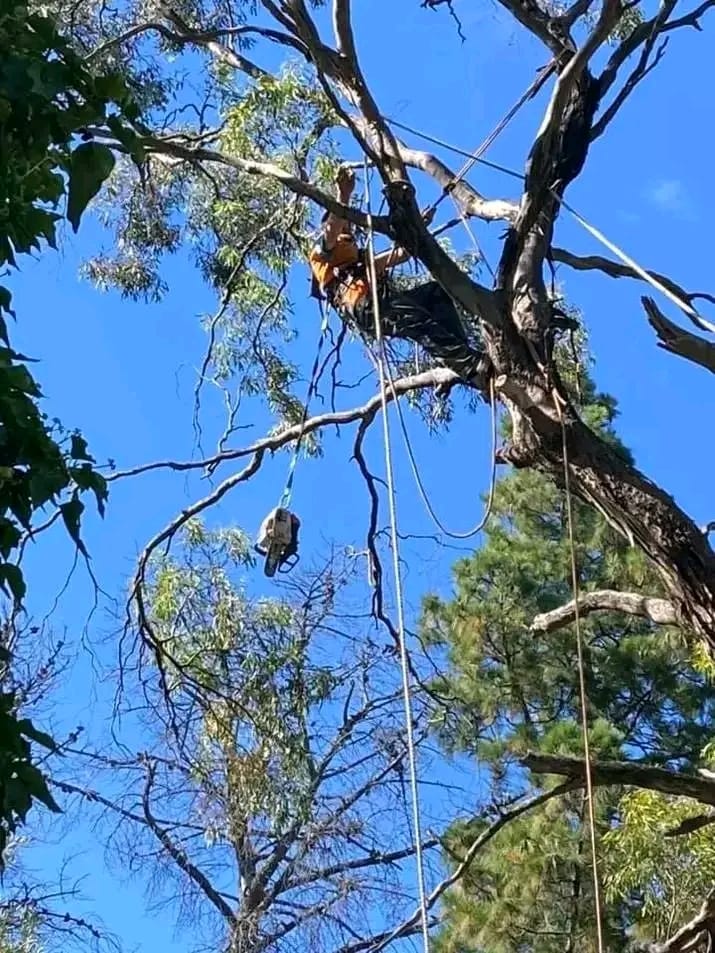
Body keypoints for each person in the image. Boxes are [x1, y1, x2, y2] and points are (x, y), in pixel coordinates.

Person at [308, 167, 484, 381]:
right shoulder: (321, 254)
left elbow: (400, 255)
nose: (350, 226)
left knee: (435, 293)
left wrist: (419, 227)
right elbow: (332, 229)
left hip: (379, 301)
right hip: (365, 305)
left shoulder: (362, 261)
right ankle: (471, 365)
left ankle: (461, 356)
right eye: (345, 221)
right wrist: (343, 195)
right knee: (417, 321)